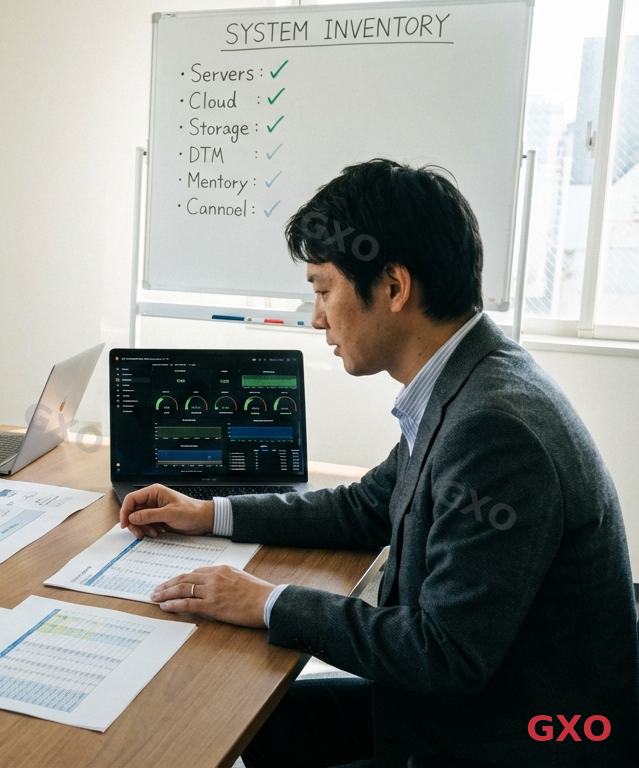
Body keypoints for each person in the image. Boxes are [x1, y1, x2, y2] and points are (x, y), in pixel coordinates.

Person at [120, 159, 638, 766]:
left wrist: (265, 601)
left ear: (393, 287)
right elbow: (369, 505)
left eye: (322, 290)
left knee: (235, 723)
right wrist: (210, 513)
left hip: (519, 738)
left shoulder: (493, 430)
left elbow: (444, 655)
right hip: (478, 706)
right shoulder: (470, 378)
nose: (316, 318)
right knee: (249, 724)